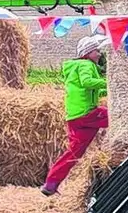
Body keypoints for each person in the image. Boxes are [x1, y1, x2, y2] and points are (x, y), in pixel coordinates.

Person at [41, 34, 110, 196]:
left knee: (74, 152)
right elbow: (87, 82)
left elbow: (86, 88)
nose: (99, 54)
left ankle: (51, 183)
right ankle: (120, 151)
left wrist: (108, 89)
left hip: (75, 117)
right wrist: (110, 81)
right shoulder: (85, 64)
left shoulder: (73, 68)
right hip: (87, 113)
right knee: (119, 119)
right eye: (96, 51)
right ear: (87, 53)